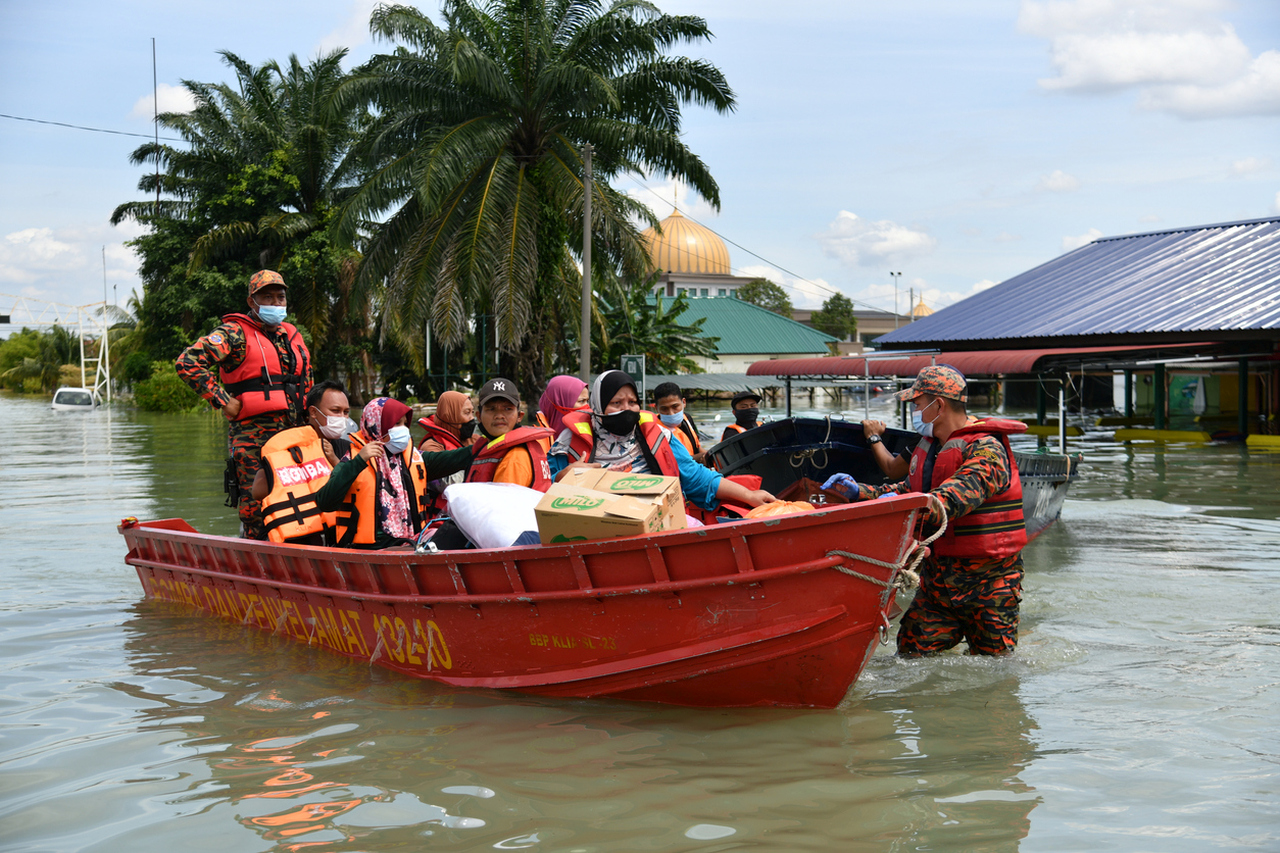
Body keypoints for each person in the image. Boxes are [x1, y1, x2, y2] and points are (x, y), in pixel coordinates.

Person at [821, 365, 1028, 657]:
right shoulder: (930, 447)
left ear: (938, 405)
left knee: (994, 669)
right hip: (937, 585)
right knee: (909, 655)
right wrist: (860, 493)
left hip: (989, 585)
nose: (915, 412)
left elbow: (951, 500)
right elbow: (907, 490)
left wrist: (894, 507)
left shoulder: (987, 449)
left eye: (917, 404)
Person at [176, 269, 312, 539]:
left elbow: (306, 383)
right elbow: (187, 362)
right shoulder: (233, 333)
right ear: (252, 301)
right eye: (268, 297)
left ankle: (302, 548)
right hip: (253, 436)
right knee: (256, 504)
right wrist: (223, 400)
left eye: (280, 297)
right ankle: (255, 548)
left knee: (302, 496)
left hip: (295, 433)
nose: (275, 303)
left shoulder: (292, 336)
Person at [549, 370, 775, 513]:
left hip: (659, 521)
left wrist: (749, 495)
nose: (626, 410)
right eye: (616, 403)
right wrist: (563, 478)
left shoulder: (656, 434)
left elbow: (696, 477)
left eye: (632, 402)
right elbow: (543, 495)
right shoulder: (569, 443)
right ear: (597, 405)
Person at [315, 397, 475, 549]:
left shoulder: (413, 458)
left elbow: (453, 458)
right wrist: (359, 461)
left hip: (412, 540)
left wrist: (483, 446)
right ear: (376, 425)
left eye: (405, 424)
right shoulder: (354, 459)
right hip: (371, 548)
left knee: (461, 531)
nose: (404, 430)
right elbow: (325, 502)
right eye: (396, 423)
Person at [249, 380, 352, 546]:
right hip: (296, 538)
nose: (342, 417)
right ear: (313, 412)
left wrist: (333, 461)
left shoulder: (347, 448)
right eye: (335, 411)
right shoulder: (286, 446)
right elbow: (257, 492)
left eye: (346, 412)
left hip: (337, 536)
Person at [466, 378, 555, 490]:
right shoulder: (486, 445)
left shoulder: (514, 458)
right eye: (491, 409)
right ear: (478, 416)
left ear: (519, 416)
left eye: (507, 409)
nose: (499, 415)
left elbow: (502, 506)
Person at [417, 390, 480, 520]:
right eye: (466, 413)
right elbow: (446, 483)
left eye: (472, 412)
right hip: (440, 520)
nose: (471, 419)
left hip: (472, 516)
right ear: (450, 415)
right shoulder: (432, 446)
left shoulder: (475, 440)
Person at [653, 381, 708, 464]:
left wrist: (710, 456)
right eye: (664, 409)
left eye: (675, 406)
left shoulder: (687, 419)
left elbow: (697, 447)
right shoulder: (654, 430)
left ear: (684, 402)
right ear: (656, 408)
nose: (671, 413)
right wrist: (699, 458)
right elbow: (667, 463)